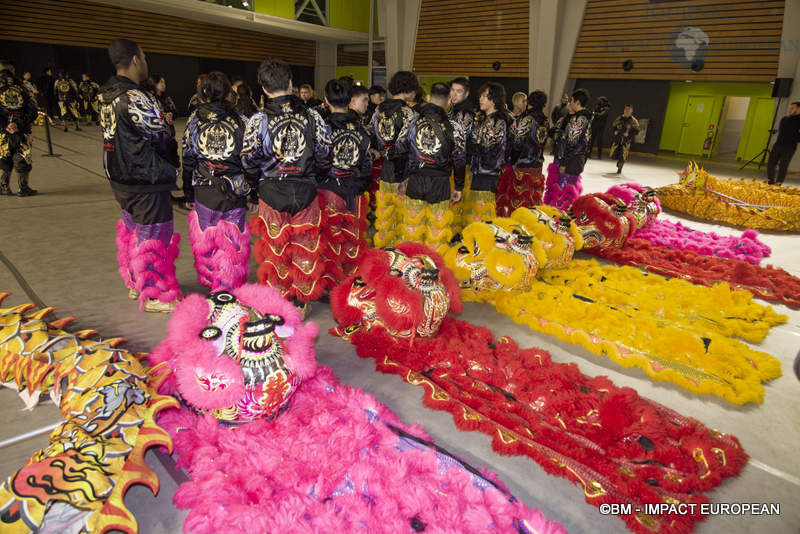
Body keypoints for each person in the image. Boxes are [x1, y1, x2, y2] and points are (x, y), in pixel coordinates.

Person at [242, 58, 331, 316]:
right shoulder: (312, 116)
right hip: (305, 188)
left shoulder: (257, 121)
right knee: (305, 246)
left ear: (263, 88)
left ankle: (280, 300)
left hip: (271, 190)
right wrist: (315, 176)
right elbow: (325, 154)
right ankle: (301, 302)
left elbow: (248, 160)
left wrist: (254, 187)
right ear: (291, 83)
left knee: (275, 248)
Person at [100, 38, 181, 313]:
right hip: (145, 177)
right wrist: (172, 164)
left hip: (120, 178)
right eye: (144, 57)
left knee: (135, 232)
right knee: (154, 235)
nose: (145, 63)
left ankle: (137, 282)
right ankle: (154, 292)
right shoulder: (135, 97)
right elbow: (160, 136)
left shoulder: (106, 95)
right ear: (135, 59)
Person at [182, 71, 252, 293]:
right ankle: (230, 286)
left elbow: (188, 156)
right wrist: (255, 192)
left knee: (208, 238)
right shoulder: (241, 120)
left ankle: (214, 285)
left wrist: (187, 192)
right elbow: (250, 159)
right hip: (235, 189)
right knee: (232, 239)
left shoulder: (194, 120)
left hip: (205, 187)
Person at [394, 81, 466, 250]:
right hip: (441, 183)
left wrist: (400, 178)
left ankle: (412, 266)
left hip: (415, 180)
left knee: (413, 228)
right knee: (437, 232)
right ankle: (434, 270)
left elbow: (399, 150)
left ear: (427, 98)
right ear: (449, 100)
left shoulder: (411, 123)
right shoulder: (455, 128)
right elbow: (460, 160)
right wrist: (459, 187)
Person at [317, 78, 373, 291]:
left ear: (326, 100)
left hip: (329, 187)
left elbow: (319, 161)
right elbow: (367, 161)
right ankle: (350, 283)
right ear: (350, 100)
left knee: (330, 237)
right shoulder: (361, 128)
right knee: (352, 238)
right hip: (354, 189)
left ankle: (330, 283)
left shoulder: (323, 128)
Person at [369, 70, 419, 247]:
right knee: (403, 214)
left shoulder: (378, 110)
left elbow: (371, 135)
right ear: (409, 90)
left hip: (386, 167)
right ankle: (401, 252)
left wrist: (381, 150)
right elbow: (408, 144)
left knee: (385, 212)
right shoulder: (409, 113)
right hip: (404, 169)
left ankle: (385, 249)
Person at [463, 82, 510, 224]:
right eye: (480, 96)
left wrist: (468, 147)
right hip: (479, 172)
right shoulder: (487, 119)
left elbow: (488, 151)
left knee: (482, 213)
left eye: (485, 96)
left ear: (494, 99)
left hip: (487, 174)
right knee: (475, 212)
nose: (480, 99)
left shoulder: (497, 121)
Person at [497, 90, 549, 216]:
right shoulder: (545, 121)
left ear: (530, 102)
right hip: (537, 164)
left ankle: (520, 226)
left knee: (520, 199)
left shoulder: (527, 120)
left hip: (524, 164)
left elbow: (517, 142)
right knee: (533, 198)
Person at [544, 88, 592, 210]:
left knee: (564, 192)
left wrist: (564, 162)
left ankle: (561, 219)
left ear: (577, 102)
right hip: (574, 159)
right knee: (565, 190)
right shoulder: (579, 118)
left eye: (571, 100)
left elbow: (572, 143)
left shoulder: (579, 119)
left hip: (571, 161)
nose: (570, 103)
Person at [0, 59, 38, 197]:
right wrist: (18, 124)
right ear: (13, 71)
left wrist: (5, 125)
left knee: (4, 157)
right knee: (23, 156)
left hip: (2, 131)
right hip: (22, 131)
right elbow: (33, 110)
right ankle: (23, 188)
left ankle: (4, 187)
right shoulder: (24, 87)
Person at [767, 101, 800, 185]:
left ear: (798, 109)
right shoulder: (785, 119)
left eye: (793, 108)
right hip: (778, 144)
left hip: (789, 147)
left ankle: (778, 184)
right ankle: (770, 181)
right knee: (771, 163)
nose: (790, 109)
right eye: (790, 107)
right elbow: (782, 131)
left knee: (783, 166)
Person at [610, 104, 640, 174]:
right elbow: (614, 126)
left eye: (628, 110)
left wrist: (629, 134)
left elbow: (637, 131)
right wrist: (615, 131)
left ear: (631, 111)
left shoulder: (633, 121)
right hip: (618, 139)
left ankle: (620, 168)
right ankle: (618, 163)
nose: (627, 111)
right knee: (614, 153)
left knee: (623, 154)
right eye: (626, 109)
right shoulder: (619, 118)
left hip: (626, 140)